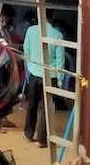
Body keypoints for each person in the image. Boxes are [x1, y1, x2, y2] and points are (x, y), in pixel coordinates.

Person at [22, 9, 65, 148]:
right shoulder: (58, 35)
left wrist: (30, 67)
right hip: (50, 76)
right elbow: (60, 61)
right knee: (47, 108)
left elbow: (26, 51)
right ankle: (41, 140)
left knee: (32, 104)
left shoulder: (31, 30)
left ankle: (28, 134)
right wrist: (59, 80)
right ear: (52, 16)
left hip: (34, 73)